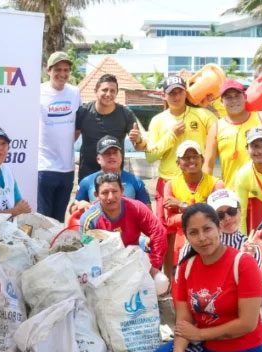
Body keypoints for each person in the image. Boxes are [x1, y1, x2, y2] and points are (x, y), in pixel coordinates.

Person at [146, 204, 262, 352]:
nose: (202, 238)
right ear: (187, 236)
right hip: (206, 347)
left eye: (207, 229)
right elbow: (184, 320)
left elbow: (248, 324)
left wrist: (199, 333)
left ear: (219, 227)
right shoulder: (185, 268)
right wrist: (179, 351)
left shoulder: (243, 263)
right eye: (193, 232)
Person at [132, 75, 217, 228]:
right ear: (164, 96)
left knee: (201, 226)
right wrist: (171, 136)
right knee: (165, 231)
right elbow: (151, 156)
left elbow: (225, 125)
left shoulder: (203, 115)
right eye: (171, 93)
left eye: (179, 92)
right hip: (168, 182)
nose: (176, 96)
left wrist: (212, 104)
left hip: (196, 182)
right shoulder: (158, 120)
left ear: (186, 93)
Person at [79, 172, 166, 275]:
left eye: (114, 191)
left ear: (122, 191)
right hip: (104, 266)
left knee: (161, 282)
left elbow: (159, 232)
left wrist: (155, 266)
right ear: (96, 195)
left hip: (133, 259)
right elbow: (86, 252)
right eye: (105, 193)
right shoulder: (89, 219)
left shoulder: (137, 208)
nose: (110, 197)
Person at [203, 79, 262, 186]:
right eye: (228, 97)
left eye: (237, 95)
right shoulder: (216, 128)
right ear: (221, 102)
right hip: (233, 194)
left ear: (245, 97)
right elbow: (208, 165)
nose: (234, 100)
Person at [161, 140, 224, 276]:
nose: (191, 160)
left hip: (210, 242)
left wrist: (181, 205)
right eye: (186, 157)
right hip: (181, 245)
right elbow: (170, 221)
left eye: (195, 156)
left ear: (202, 159)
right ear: (178, 163)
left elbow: (216, 217)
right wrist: (202, 210)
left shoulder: (216, 184)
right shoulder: (170, 185)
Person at [38, 51, 80, 221]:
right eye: (58, 70)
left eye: (66, 70)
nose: (62, 74)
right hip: (43, 166)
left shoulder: (75, 92)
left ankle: (55, 249)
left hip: (67, 168)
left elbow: (78, 124)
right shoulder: (37, 91)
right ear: (49, 70)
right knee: (43, 219)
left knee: (58, 220)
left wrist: (66, 141)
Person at [178, 189, 262, 267]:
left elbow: (253, 282)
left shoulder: (252, 249)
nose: (227, 218)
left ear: (240, 211)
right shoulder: (197, 244)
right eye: (220, 215)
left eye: (231, 211)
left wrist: (247, 261)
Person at [75, 74, 136, 181]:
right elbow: (72, 138)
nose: (108, 94)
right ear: (96, 91)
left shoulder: (126, 114)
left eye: (112, 91)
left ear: (117, 93)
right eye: (104, 90)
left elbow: (139, 145)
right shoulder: (83, 112)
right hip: (87, 177)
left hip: (114, 178)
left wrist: (138, 140)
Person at [71, 135, 150, 212]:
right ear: (98, 159)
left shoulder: (135, 181)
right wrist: (79, 206)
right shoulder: (86, 182)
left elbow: (148, 212)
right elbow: (73, 210)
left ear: (121, 156)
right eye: (107, 153)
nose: (112, 156)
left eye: (115, 152)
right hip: (97, 224)